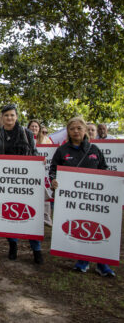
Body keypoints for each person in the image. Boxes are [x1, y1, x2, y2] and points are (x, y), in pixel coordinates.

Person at [49, 117, 115, 277]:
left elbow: (104, 170)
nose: (76, 131)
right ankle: (82, 261)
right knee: (78, 227)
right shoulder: (62, 150)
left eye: (79, 128)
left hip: (94, 200)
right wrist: (53, 181)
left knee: (97, 227)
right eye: (72, 129)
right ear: (68, 131)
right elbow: (52, 170)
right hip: (72, 200)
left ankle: (102, 264)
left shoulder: (94, 150)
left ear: (85, 130)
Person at [0, 104, 43, 264]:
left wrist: (36, 169)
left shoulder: (27, 133)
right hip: (5, 182)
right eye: (6, 116)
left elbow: (34, 153)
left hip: (25, 181)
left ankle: (36, 249)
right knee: (9, 211)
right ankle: (13, 244)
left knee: (31, 213)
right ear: (2, 118)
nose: (9, 118)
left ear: (16, 117)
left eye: (12, 115)